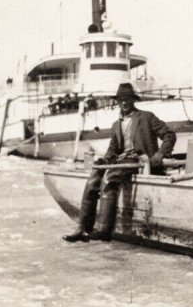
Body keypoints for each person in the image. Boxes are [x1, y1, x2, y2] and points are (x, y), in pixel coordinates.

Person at [63, 83, 176, 243]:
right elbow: (113, 150)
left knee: (109, 177)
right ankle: (83, 228)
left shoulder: (146, 117)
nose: (124, 103)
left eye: (127, 99)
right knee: (94, 177)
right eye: (121, 100)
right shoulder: (116, 125)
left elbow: (170, 135)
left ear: (133, 100)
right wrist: (104, 159)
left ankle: (104, 230)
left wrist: (159, 155)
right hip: (122, 160)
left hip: (139, 160)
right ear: (117, 101)